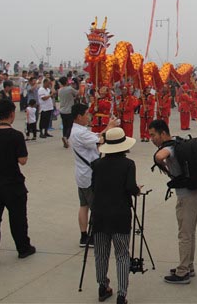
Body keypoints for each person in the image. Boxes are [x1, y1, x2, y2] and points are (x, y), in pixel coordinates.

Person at [0, 99, 36, 269]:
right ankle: (23, 248)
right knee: (18, 218)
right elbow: (22, 160)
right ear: (11, 114)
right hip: (13, 183)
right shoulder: (16, 136)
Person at [149, 119, 197, 284]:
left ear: (163, 133)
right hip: (196, 191)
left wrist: (161, 162)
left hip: (187, 195)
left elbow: (159, 156)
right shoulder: (178, 141)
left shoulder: (169, 147)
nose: (152, 139)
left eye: (153, 135)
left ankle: (182, 272)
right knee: (190, 232)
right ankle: (188, 266)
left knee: (184, 234)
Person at [91, 127, 140, 304]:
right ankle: (121, 294)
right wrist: (137, 190)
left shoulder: (97, 164)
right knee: (122, 254)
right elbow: (130, 188)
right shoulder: (128, 164)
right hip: (120, 215)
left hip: (99, 214)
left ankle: (102, 286)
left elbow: (93, 187)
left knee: (101, 253)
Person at [70, 103, 118, 247]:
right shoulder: (80, 133)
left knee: (83, 205)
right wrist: (110, 127)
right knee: (96, 207)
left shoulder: (78, 130)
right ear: (79, 117)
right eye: (86, 114)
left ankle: (84, 236)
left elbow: (97, 136)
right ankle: (94, 236)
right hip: (89, 175)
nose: (88, 117)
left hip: (82, 174)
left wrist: (108, 127)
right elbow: (101, 140)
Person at [58, 76, 79, 148]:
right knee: (70, 126)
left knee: (65, 126)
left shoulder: (60, 90)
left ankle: (65, 137)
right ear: (66, 82)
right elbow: (77, 93)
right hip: (69, 110)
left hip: (62, 110)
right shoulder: (69, 89)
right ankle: (66, 137)